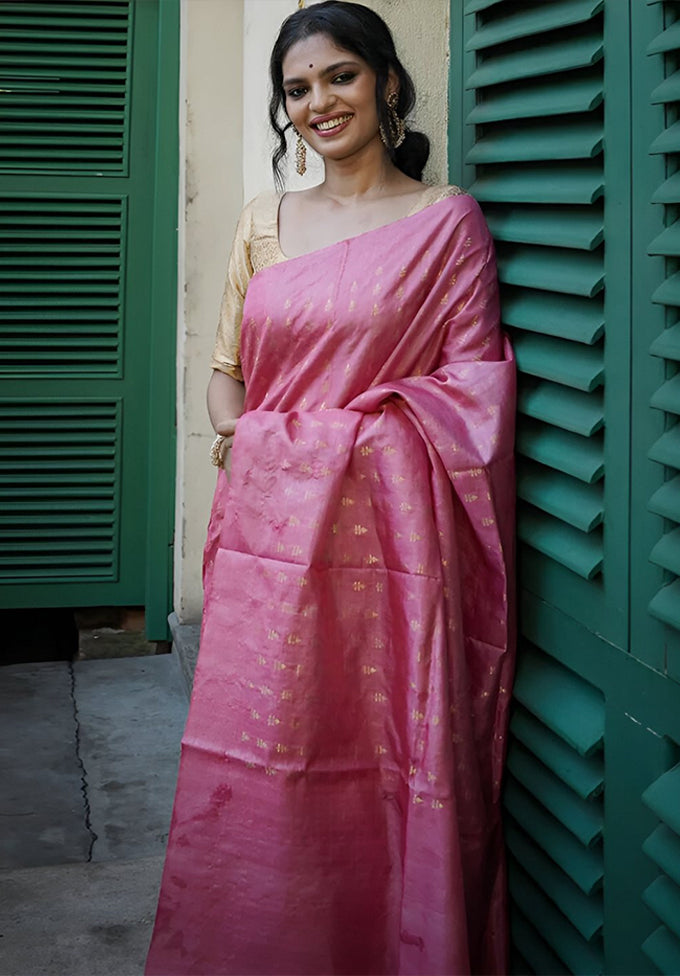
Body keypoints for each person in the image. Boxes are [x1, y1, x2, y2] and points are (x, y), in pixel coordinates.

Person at [146, 3, 515, 974]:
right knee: (260, 769)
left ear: (388, 83)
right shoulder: (262, 222)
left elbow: (473, 396)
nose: (319, 102)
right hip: (268, 553)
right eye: (298, 89)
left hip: (387, 568)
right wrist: (253, 432)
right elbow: (228, 371)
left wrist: (341, 439)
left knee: (379, 770)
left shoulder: (444, 224)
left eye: (339, 77)